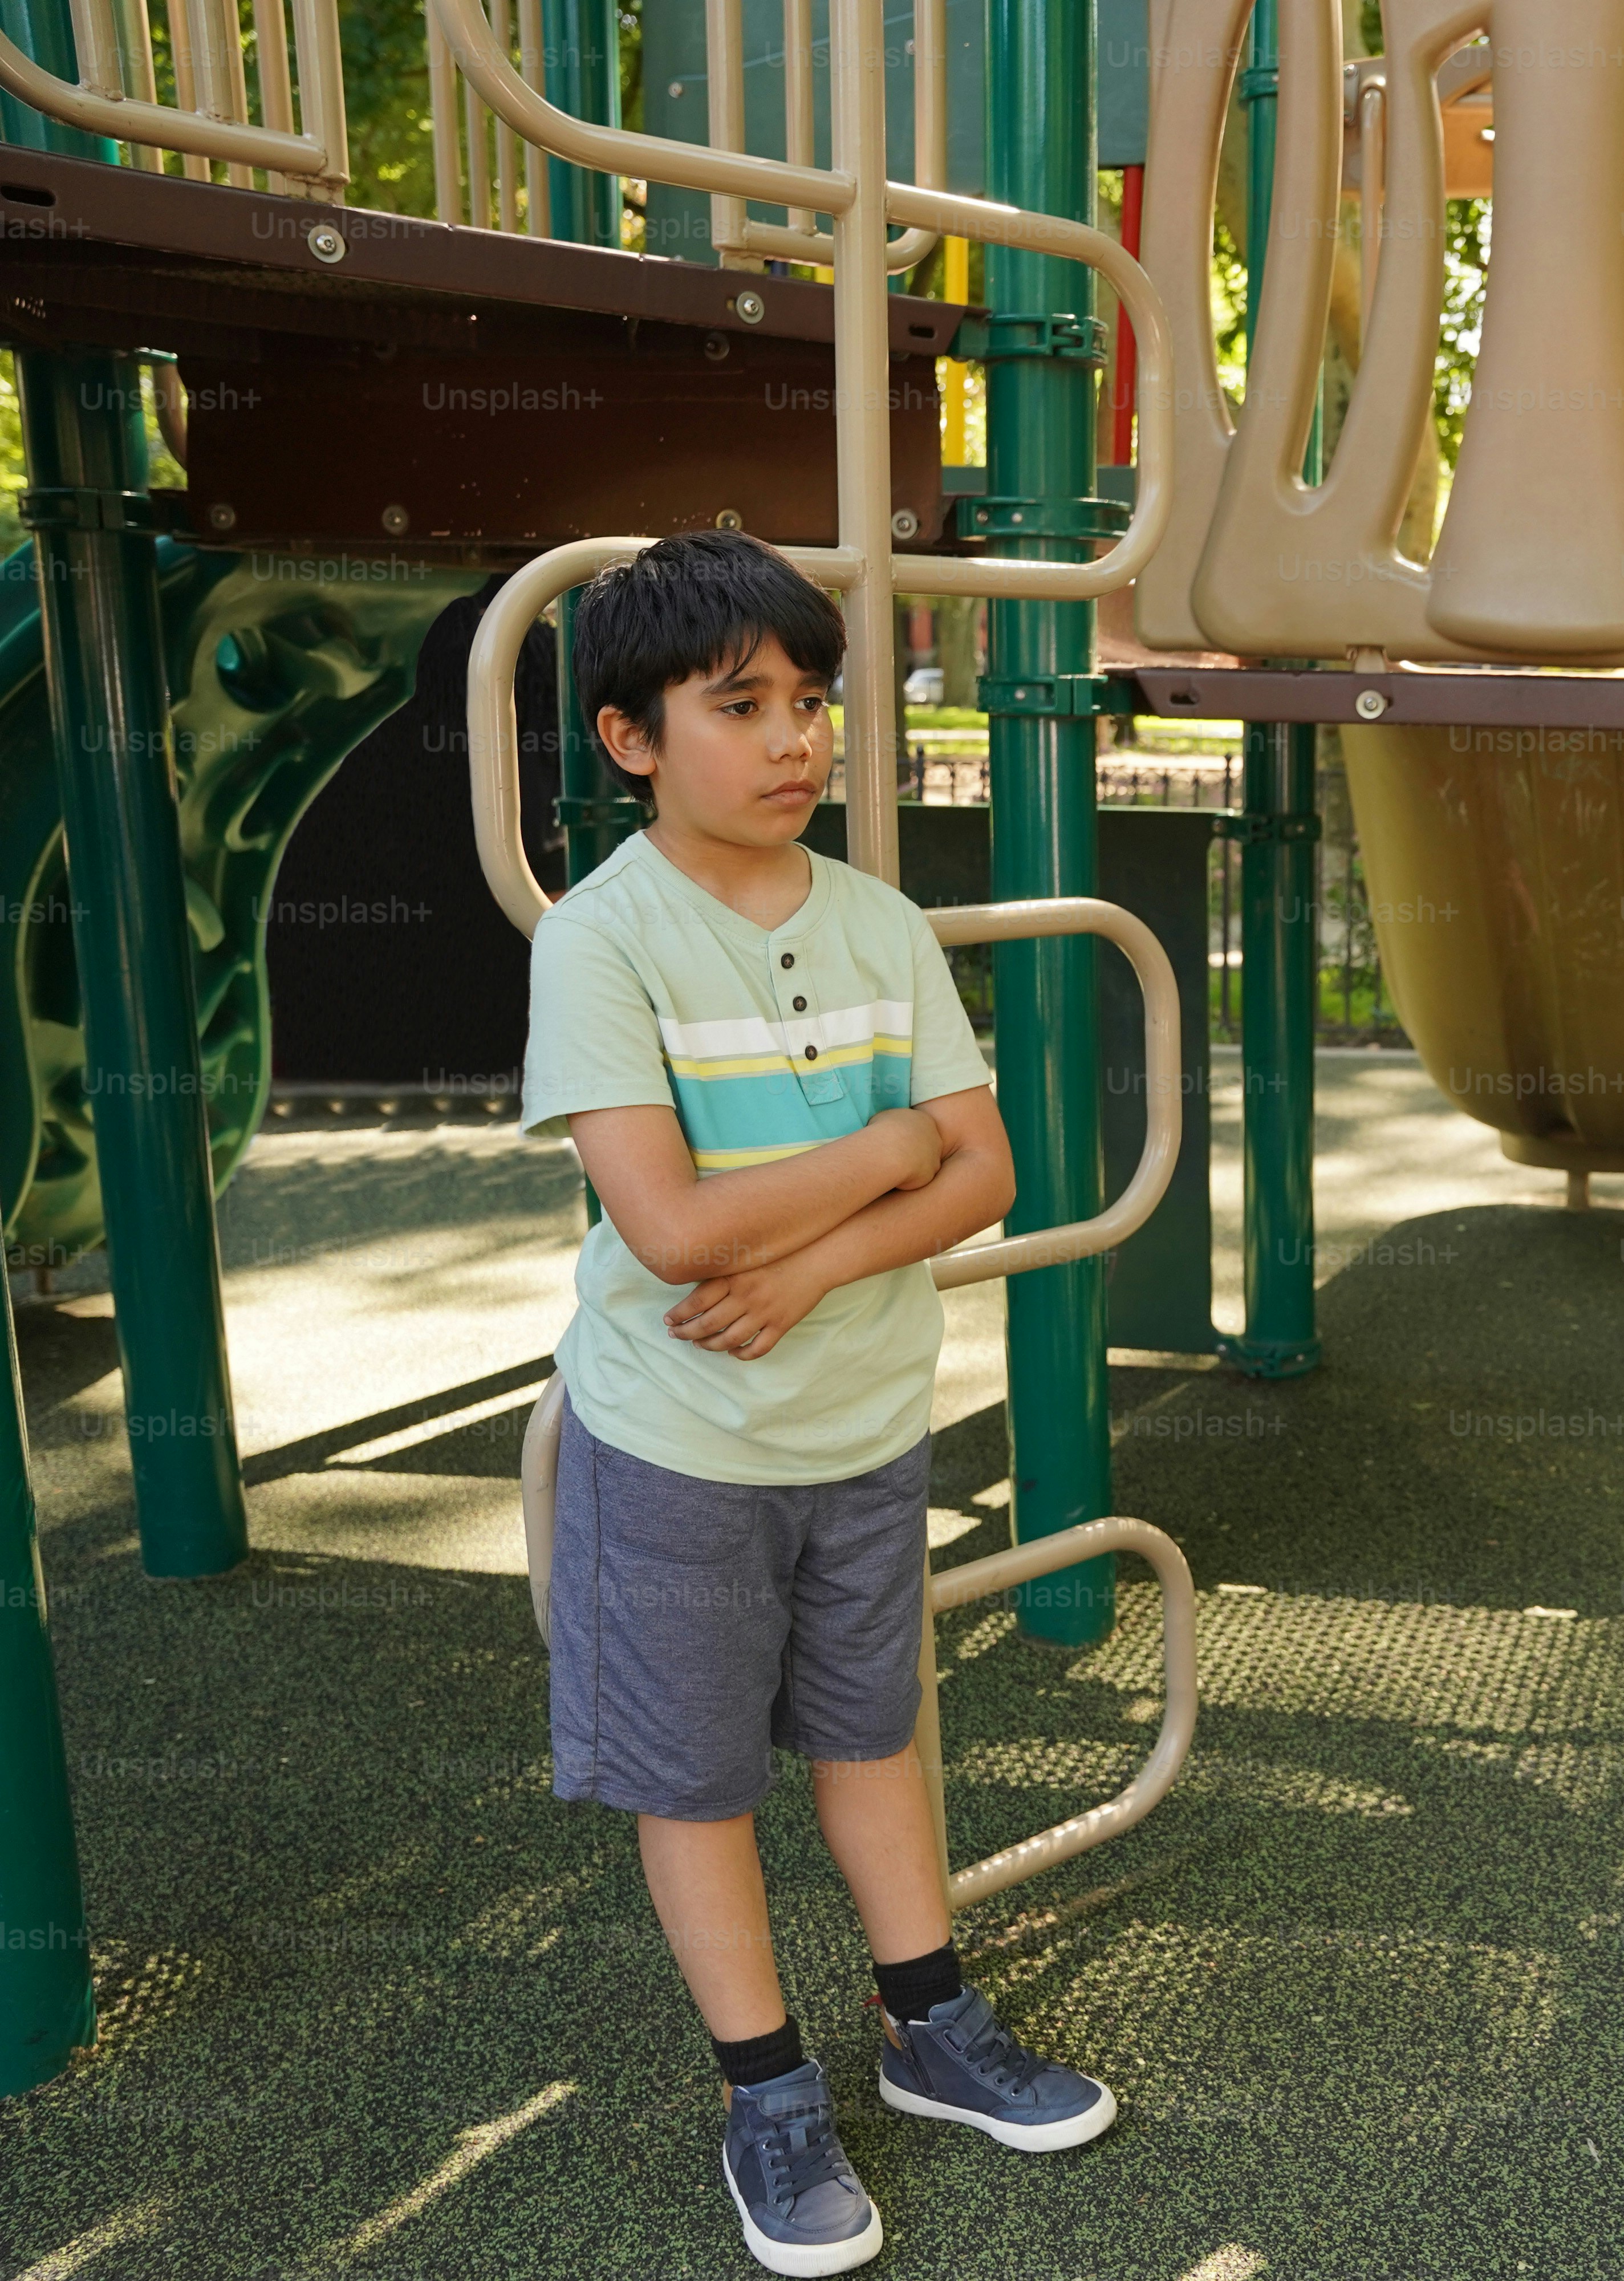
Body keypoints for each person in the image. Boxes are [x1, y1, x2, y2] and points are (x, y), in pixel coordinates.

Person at [519, 530, 1115, 2277]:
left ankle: (928, 2022)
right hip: (681, 1445)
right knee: (695, 1779)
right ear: (631, 739)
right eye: (741, 707)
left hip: (864, 1428)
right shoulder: (604, 943)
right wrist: (877, 1151)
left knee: (873, 1734)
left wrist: (813, 1264)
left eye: (811, 704)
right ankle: (766, 2092)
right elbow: (672, 1224)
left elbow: (987, 1171)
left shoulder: (874, 919)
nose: (796, 741)